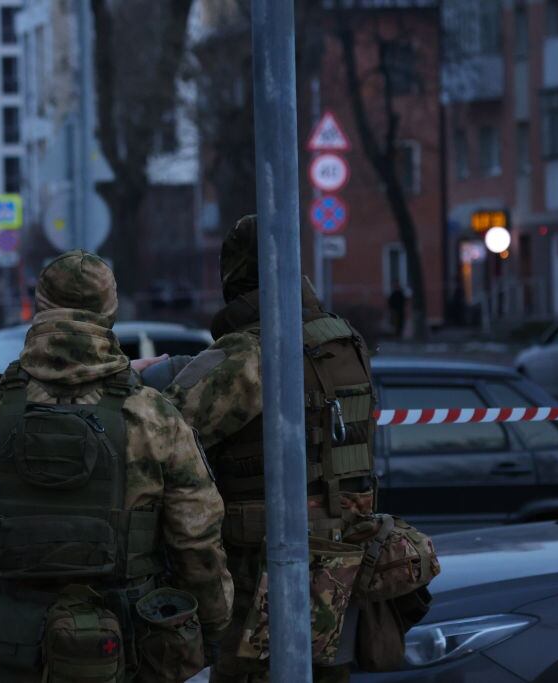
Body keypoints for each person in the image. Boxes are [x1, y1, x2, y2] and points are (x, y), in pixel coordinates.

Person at [0, 250, 233, 682]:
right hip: (127, 651)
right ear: (109, 310)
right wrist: (212, 627)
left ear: (41, 307)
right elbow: (197, 536)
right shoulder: (151, 414)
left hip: (12, 648)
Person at [141, 215, 384, 683]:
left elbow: (162, 431)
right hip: (340, 556)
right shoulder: (343, 339)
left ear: (234, 275)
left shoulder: (256, 347)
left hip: (268, 565)